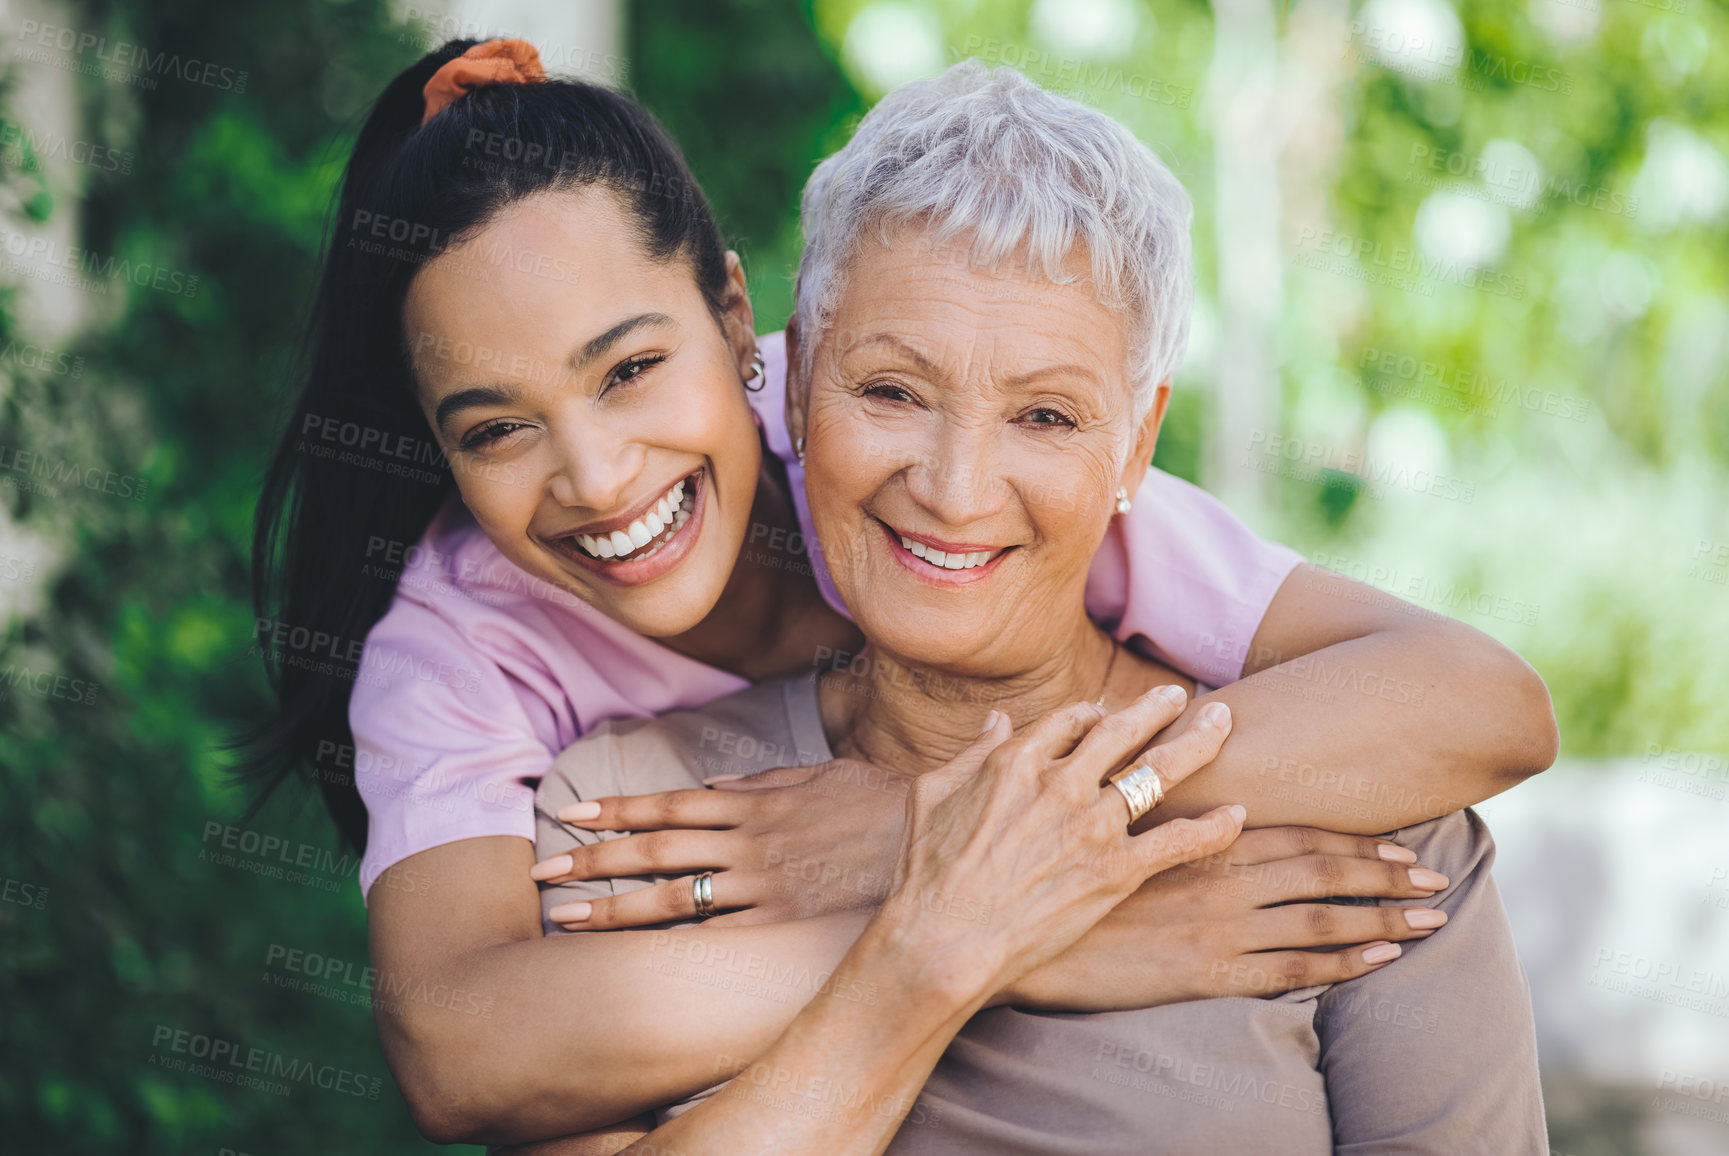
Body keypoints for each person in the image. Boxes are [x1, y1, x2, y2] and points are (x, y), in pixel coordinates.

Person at [243, 40, 1556, 1145]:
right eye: (493, 429)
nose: (596, 474)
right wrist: (993, 927)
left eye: (630, 368)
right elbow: (464, 1043)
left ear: (743, 338)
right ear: (811, 378)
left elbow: (1479, 701)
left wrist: (920, 824)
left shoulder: (970, 426)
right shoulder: (575, 768)